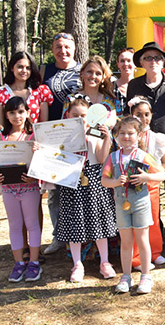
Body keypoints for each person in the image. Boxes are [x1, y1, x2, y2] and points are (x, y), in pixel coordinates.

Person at [127, 42, 165, 252]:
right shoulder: (134, 85)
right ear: (142, 62)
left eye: (157, 58)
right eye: (148, 58)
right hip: (141, 148)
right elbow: (128, 118)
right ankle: (154, 233)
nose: (153, 61)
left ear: (163, 62)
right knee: (145, 192)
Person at [102, 117, 165, 294]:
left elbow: (163, 175)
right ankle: (126, 276)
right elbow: (104, 181)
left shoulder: (143, 156)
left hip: (140, 202)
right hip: (122, 204)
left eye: (130, 133)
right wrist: (115, 181)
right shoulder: (112, 157)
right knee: (126, 242)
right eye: (122, 133)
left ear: (138, 136)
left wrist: (146, 178)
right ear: (116, 136)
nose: (126, 136)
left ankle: (146, 276)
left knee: (142, 240)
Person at [56, 98, 117, 283]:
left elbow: (101, 158)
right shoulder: (62, 135)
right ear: (68, 115)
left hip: (93, 181)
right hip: (71, 180)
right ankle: (77, 264)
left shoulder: (95, 133)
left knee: (98, 221)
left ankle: (105, 262)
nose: (80, 119)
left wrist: (107, 138)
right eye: (75, 115)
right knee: (75, 222)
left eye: (84, 116)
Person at [0, 97, 42, 282]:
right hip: (9, 189)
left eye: (20, 112)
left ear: (27, 112)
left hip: (29, 188)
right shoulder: (0, 138)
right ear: (6, 115)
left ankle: (34, 262)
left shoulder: (33, 138)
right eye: (12, 112)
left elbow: (43, 165)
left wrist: (35, 174)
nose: (17, 116)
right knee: (14, 225)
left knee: (32, 224)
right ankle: (19, 262)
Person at [42, 32, 81, 256]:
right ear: (52, 49)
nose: (62, 51)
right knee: (55, 190)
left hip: (78, 139)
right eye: (58, 46)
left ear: (74, 48)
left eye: (66, 46)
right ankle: (59, 236)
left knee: (78, 189)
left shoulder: (84, 70)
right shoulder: (45, 71)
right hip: (51, 139)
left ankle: (80, 236)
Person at [127, 96, 165, 269]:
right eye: (138, 114)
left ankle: (155, 252)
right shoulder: (128, 137)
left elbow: (164, 163)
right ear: (131, 115)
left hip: (151, 185)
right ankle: (136, 257)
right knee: (137, 221)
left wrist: (158, 173)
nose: (143, 118)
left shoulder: (158, 138)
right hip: (133, 184)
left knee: (153, 219)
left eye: (146, 114)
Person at [0, 51, 54, 134]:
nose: (24, 71)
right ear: (12, 68)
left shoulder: (40, 92)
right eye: (20, 67)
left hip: (34, 140)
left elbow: (43, 123)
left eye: (28, 68)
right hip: (10, 142)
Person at [113, 48, 136, 117]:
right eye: (122, 61)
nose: (126, 64)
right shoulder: (110, 87)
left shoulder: (142, 86)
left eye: (129, 61)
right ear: (118, 64)